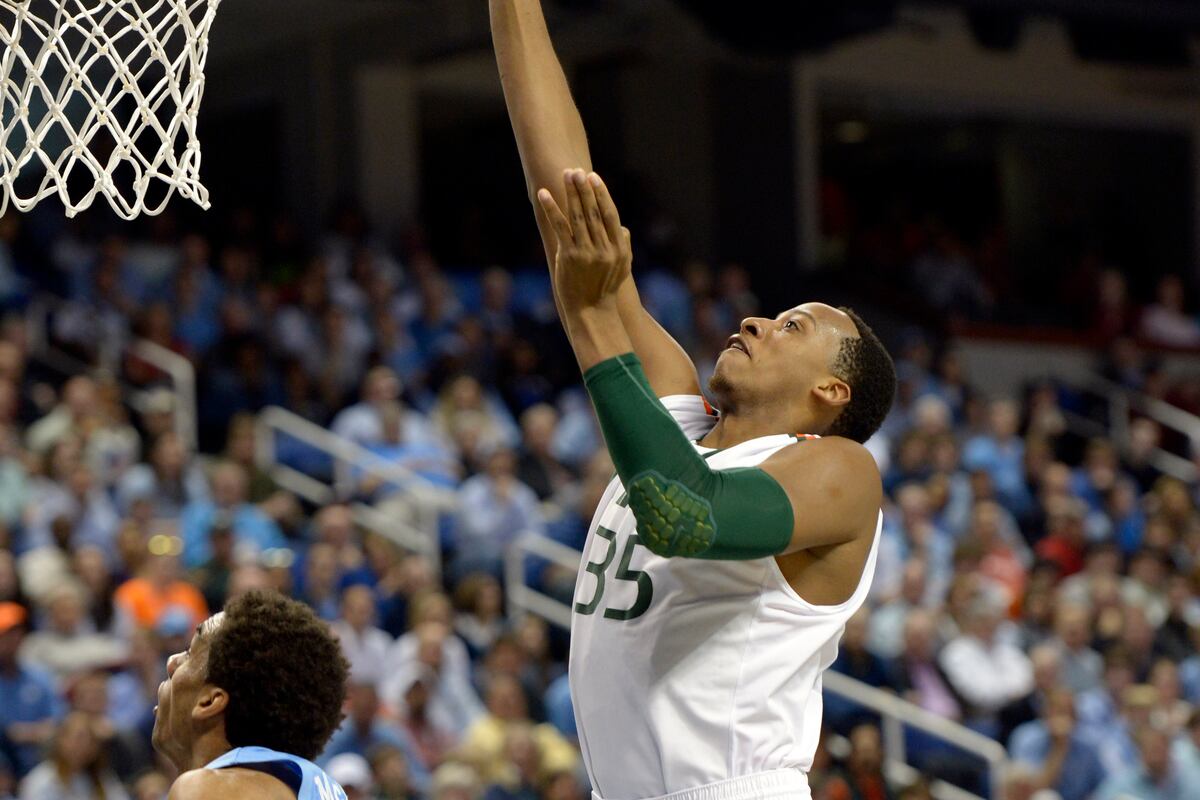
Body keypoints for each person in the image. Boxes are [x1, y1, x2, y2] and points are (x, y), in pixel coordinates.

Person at [491, 3, 895, 797]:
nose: (755, 321)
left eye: (792, 325)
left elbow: (684, 514)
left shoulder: (841, 474)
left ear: (831, 390)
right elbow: (566, 204)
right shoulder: (682, 417)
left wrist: (588, 322)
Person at [151, 589, 351, 799]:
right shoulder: (323, 790)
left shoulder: (210, 789)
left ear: (209, 701)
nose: (172, 662)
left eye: (190, 653)